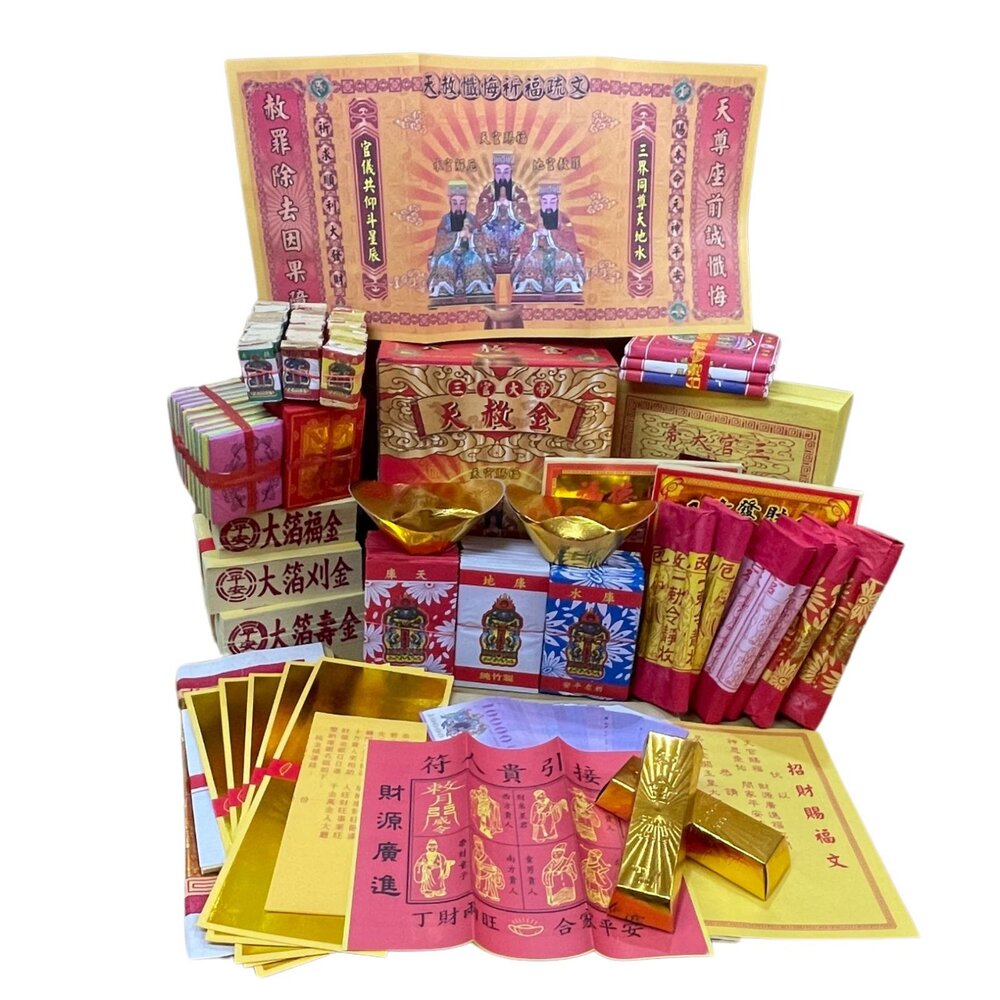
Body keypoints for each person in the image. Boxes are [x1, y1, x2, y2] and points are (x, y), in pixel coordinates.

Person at [511, 182, 586, 297]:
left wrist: (550, 234)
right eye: (545, 202)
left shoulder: (563, 218)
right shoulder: (533, 218)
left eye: (552, 202)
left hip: (560, 251)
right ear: (541, 202)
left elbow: (569, 239)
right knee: (530, 259)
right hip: (537, 250)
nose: (549, 205)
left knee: (566, 258)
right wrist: (536, 235)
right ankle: (530, 286)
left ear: (557, 202)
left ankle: (567, 286)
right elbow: (525, 239)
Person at [427, 180, 495, 299]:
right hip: (449, 253)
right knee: (443, 261)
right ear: (450, 203)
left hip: (470, 251)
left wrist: (471, 236)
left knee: (477, 261)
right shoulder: (445, 220)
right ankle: (443, 290)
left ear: (466, 203)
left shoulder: (472, 218)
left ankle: (477, 290)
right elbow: (440, 240)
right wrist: (458, 235)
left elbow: (481, 238)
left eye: (462, 203)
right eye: (455, 203)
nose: (458, 207)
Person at [474, 152, 530, 273]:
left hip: (513, 226)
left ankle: (514, 259)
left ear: (511, 172)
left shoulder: (516, 188)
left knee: (522, 231)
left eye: (506, 172)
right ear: (494, 172)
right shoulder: (489, 188)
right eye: (499, 172)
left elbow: (525, 211)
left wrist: (511, 205)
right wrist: (495, 205)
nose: (502, 176)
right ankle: (492, 260)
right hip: (492, 225)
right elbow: (481, 211)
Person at [472, 836, 505, 902]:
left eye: (481, 847)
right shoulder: (475, 856)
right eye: (478, 847)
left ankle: (491, 895)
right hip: (482, 877)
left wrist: (488, 868)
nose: (480, 849)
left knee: (491, 891)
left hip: (489, 877)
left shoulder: (485, 856)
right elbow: (477, 867)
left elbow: (492, 867)